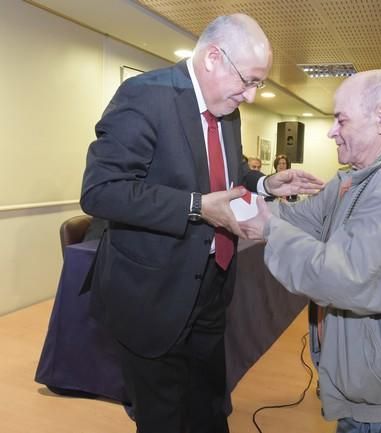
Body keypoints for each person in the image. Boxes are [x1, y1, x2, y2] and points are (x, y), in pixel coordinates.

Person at [80, 14, 323, 433]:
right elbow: (101, 191)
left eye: (257, 84)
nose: (250, 95)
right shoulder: (144, 96)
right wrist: (196, 206)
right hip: (151, 295)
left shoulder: (226, 110)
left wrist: (265, 183)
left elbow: (227, 178)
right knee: (163, 418)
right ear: (213, 57)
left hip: (211, 284)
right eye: (248, 80)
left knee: (210, 408)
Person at [240, 70, 381, 433]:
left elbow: (345, 278)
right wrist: (242, 205)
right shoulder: (355, 178)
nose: (331, 130)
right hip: (364, 375)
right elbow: (299, 218)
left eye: (340, 119)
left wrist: (268, 228)